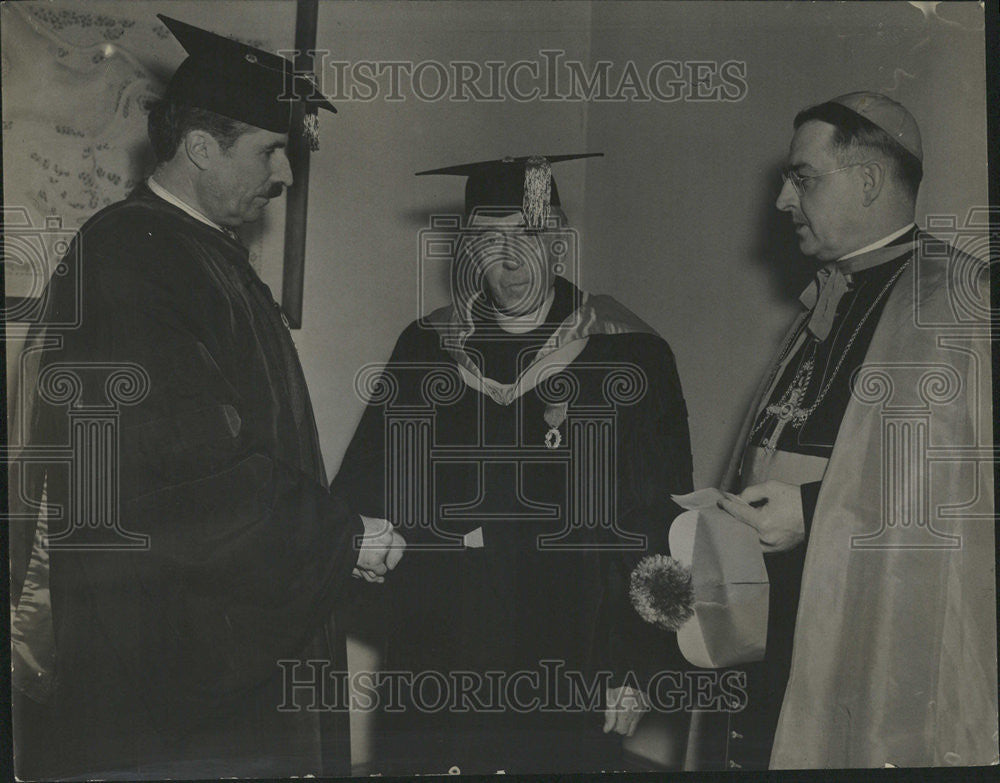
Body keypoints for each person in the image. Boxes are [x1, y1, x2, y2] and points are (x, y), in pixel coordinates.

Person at [10, 15, 405, 779]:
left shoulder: (191, 251)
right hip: (168, 675)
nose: (287, 175)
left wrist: (328, 532)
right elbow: (181, 477)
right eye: (270, 150)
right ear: (199, 147)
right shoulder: (132, 258)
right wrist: (336, 536)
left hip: (204, 647)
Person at [331, 154, 694, 775]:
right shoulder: (425, 347)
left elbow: (658, 523)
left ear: (557, 242)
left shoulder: (628, 352)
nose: (509, 260)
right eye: (488, 239)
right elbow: (364, 488)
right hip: (437, 644)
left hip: (573, 649)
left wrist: (638, 665)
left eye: (527, 235)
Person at [713, 92, 995, 768]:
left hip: (873, 616)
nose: (782, 199)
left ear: (869, 180)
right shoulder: (832, 292)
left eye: (802, 177)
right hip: (777, 609)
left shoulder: (958, 299)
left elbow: (958, 497)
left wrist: (811, 512)